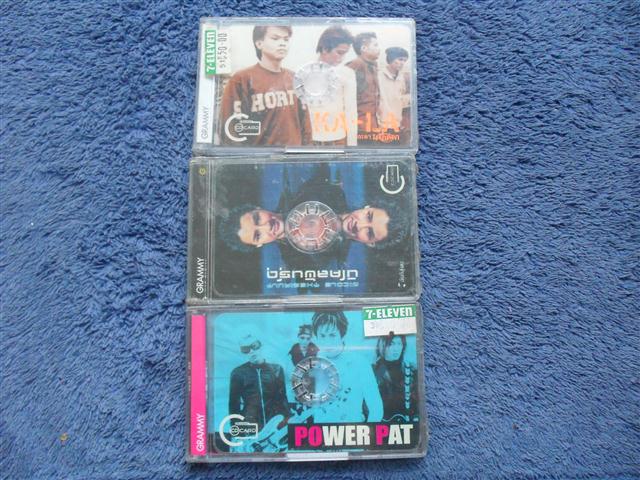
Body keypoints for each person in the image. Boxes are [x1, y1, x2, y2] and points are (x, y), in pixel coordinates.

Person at [220, 25, 311, 146]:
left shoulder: (295, 79)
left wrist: (305, 152)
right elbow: (231, 128)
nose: (282, 43)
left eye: (286, 39)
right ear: (259, 44)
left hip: (292, 154)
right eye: (275, 38)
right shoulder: (241, 79)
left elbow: (306, 124)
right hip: (260, 155)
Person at [308, 311, 383, 422]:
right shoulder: (313, 364)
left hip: (353, 430)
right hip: (320, 431)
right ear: (316, 337)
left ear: (342, 335)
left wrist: (367, 431)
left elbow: (376, 408)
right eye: (322, 336)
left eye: (332, 335)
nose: (327, 342)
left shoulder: (359, 363)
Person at [306, 26, 358, 146]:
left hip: (337, 138)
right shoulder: (304, 72)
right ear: (325, 48)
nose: (342, 58)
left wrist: (352, 147)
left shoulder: (347, 73)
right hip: (311, 139)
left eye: (345, 53)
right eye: (339, 52)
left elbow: (351, 112)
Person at [228, 333, 290, 431]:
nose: (252, 351)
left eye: (254, 346)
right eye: (246, 349)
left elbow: (282, 399)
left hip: (275, 423)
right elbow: (234, 405)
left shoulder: (277, 369)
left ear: (261, 346)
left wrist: (287, 420)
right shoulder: (238, 373)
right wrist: (237, 431)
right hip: (251, 425)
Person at [372, 334, 419, 422]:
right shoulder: (374, 371)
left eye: (399, 344)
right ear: (382, 346)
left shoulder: (411, 369)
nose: (396, 349)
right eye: (391, 344)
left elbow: (418, 402)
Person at [346, 32, 381, 142]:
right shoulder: (355, 66)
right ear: (364, 48)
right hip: (359, 127)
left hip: (372, 125)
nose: (379, 49)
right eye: (375, 45)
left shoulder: (373, 66)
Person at [378, 47, 410, 139]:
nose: (402, 63)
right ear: (391, 58)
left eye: (404, 60)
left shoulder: (401, 77)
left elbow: (400, 98)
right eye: (400, 59)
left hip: (397, 123)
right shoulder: (378, 76)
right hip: (381, 123)